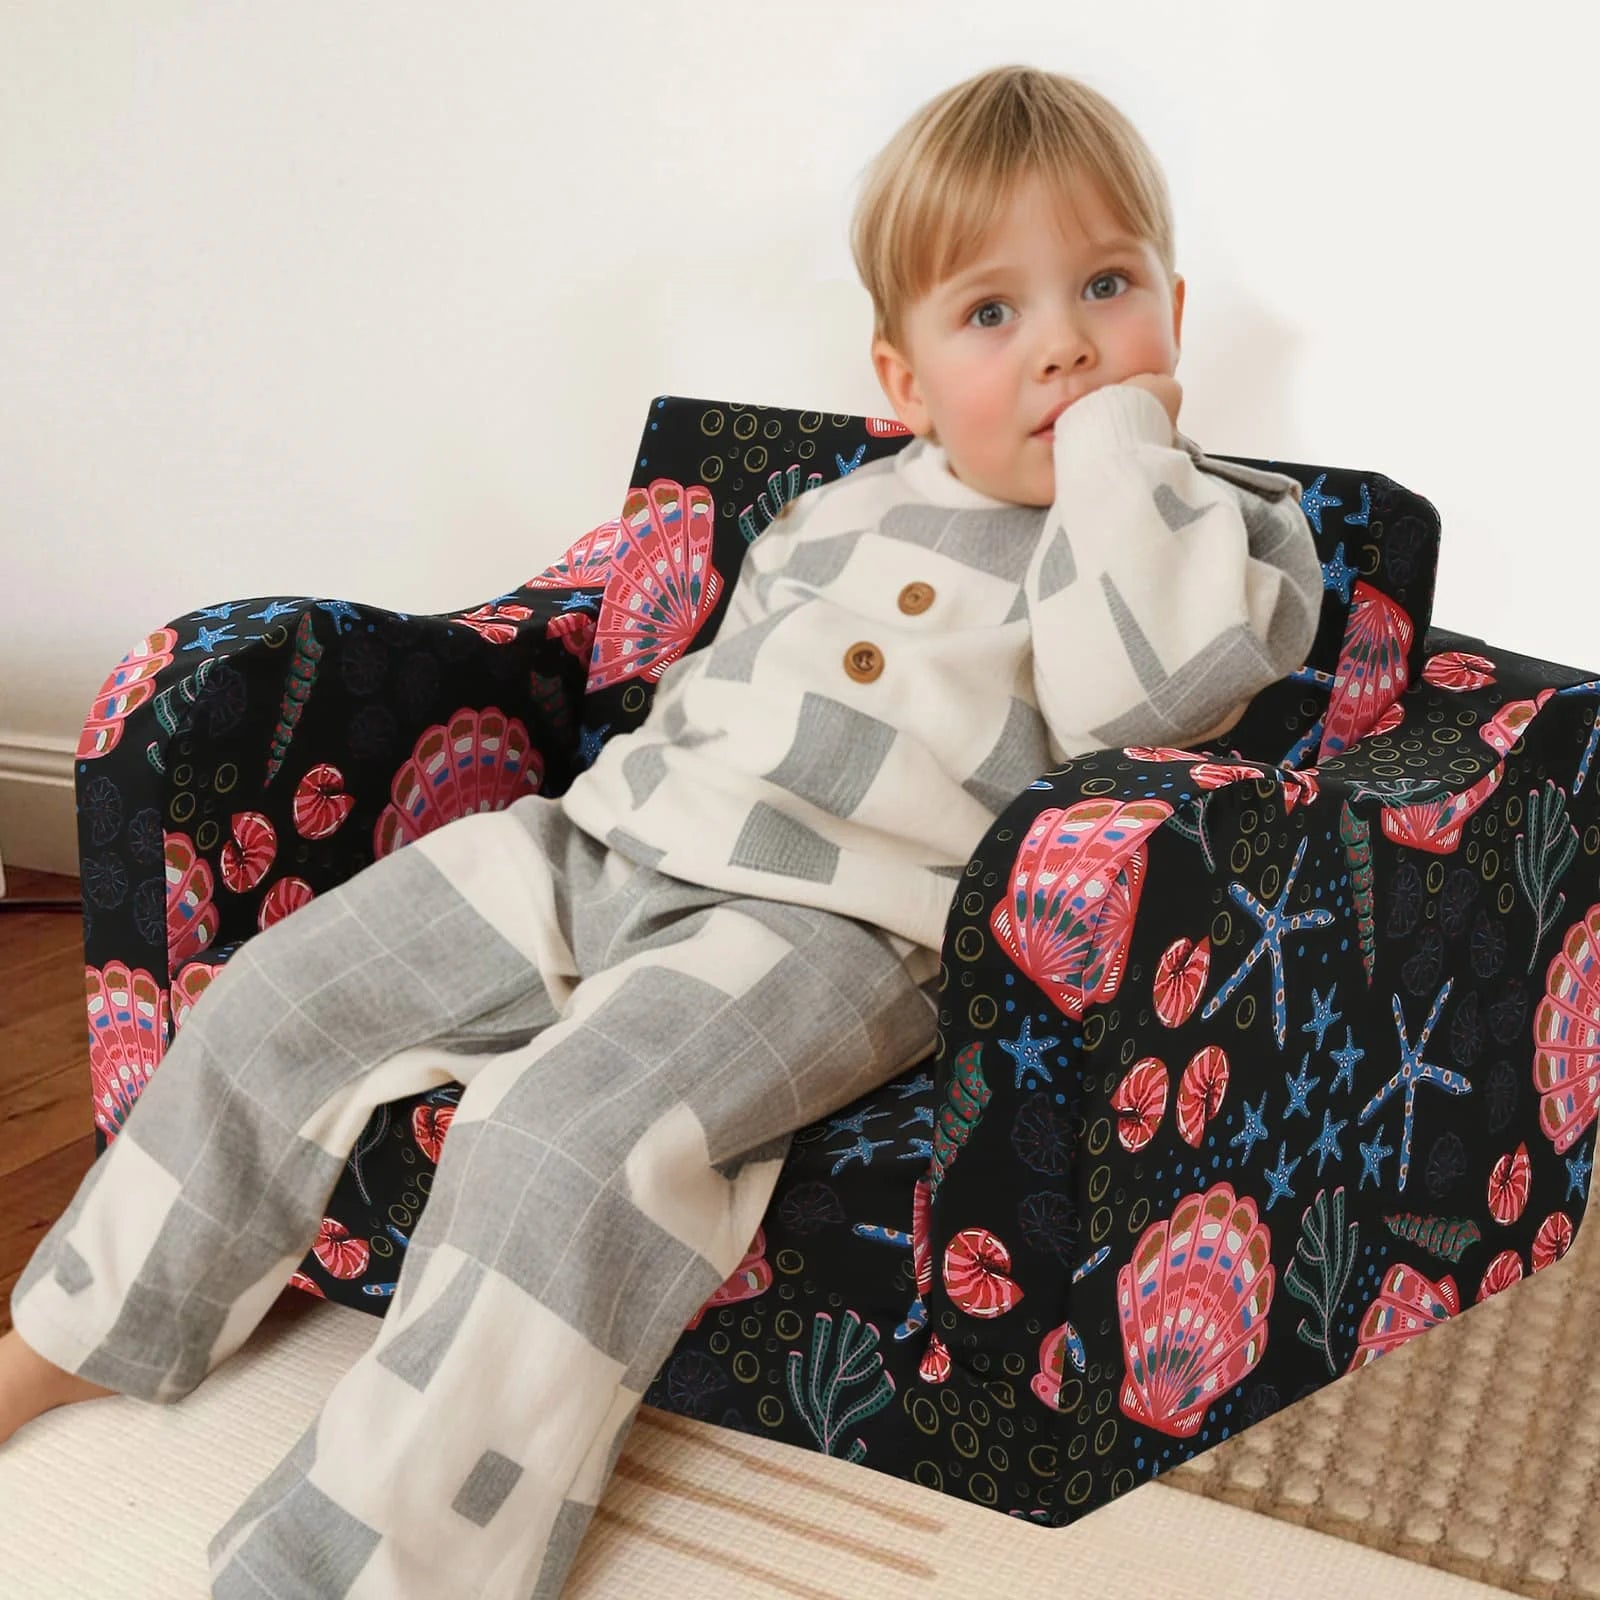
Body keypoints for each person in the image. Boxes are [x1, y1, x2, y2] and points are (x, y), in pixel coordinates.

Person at [0, 62, 1323, 1599]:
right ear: (897, 378)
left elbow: (1148, 694)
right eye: (993, 316)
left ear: (1174, 313)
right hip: (608, 844)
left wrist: (1119, 454)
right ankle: (76, 1338)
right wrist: (589, 833)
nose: (1065, 348)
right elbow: (706, 687)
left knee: (559, 1143)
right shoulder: (836, 507)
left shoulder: (1213, 531)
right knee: (289, 995)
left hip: (835, 927)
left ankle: (357, 1570)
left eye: (1106, 290)